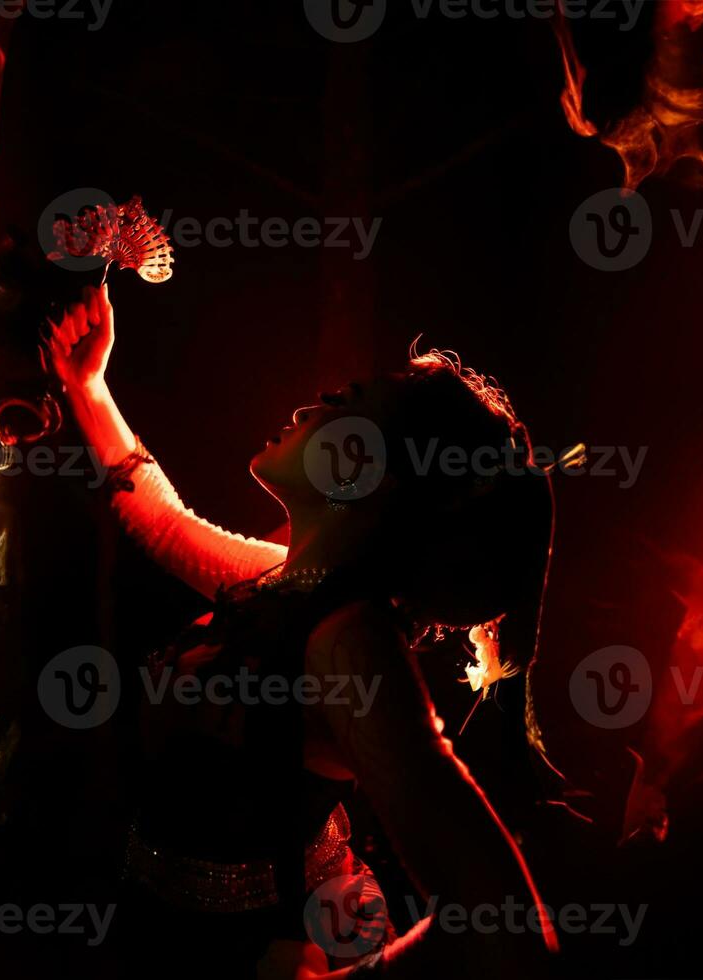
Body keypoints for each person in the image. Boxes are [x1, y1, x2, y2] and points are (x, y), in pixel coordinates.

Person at [46, 284, 559, 977]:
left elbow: (504, 926)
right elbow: (162, 524)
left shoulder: (346, 643)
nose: (303, 407)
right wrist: (88, 385)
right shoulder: (282, 581)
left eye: (341, 402)